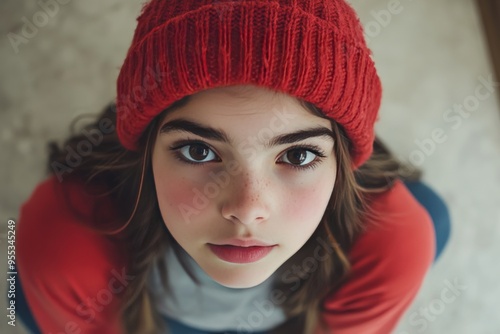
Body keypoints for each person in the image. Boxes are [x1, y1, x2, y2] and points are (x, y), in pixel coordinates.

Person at [14, 0, 451, 333]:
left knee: (429, 217)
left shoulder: (394, 238)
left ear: (339, 159)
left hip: (302, 302)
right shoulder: (64, 240)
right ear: (146, 149)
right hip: (136, 313)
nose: (247, 209)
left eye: (297, 155)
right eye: (198, 151)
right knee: (25, 293)